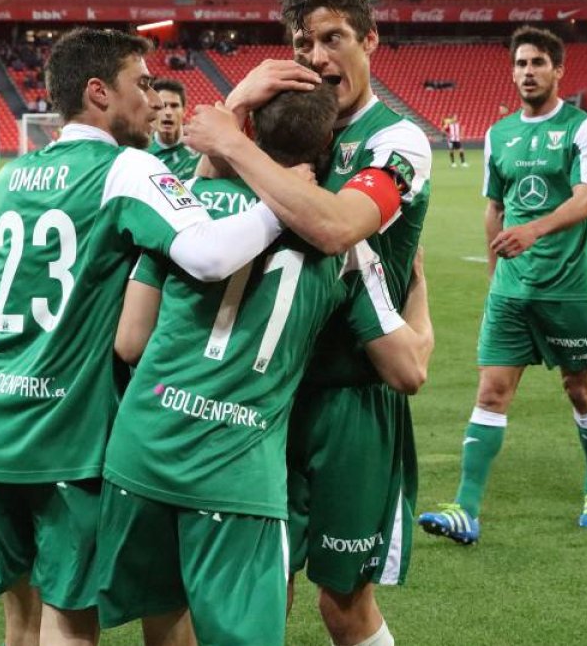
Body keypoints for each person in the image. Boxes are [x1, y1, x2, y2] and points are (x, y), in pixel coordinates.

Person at [0, 28, 289, 646]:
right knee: (69, 619)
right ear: (98, 93)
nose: (150, 97)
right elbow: (210, 253)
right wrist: (290, 199)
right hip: (65, 431)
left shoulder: (8, 178)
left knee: (20, 619)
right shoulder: (126, 168)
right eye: (141, 83)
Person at [96, 85, 434, 646]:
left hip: (142, 455)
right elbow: (407, 371)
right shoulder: (348, 252)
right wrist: (418, 293)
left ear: (250, 132)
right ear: (328, 147)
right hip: (236, 470)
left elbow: (130, 341)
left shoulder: (188, 204)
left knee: (164, 623)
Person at [184, 0, 433, 643]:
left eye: (334, 39)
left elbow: (335, 227)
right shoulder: (284, 124)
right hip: (263, 393)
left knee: (343, 605)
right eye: (304, 43)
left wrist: (233, 141)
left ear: (370, 39)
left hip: (349, 397)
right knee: (258, 592)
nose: (319, 57)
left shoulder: (397, 141)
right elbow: (184, 215)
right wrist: (236, 105)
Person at [418, 26, 587, 545]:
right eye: (521, 64)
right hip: (511, 292)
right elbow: (495, 210)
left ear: (558, 70)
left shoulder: (582, 128)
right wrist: (492, 271)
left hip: (569, 288)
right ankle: (466, 508)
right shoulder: (499, 135)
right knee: (491, 390)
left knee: (580, 388)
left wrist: (533, 230)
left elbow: (585, 198)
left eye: (538, 63)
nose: (528, 72)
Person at [146, 78, 199, 180]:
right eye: (162, 106)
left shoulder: (200, 145)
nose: (168, 112)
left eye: (174, 106)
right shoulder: (143, 155)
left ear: (184, 111)